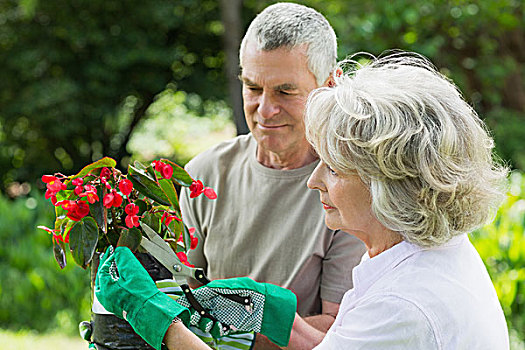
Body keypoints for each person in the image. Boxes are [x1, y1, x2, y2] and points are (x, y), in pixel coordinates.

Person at [286, 51, 509, 348]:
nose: (314, 182)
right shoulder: (428, 254)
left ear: (390, 185)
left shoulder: (400, 306)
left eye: (334, 169)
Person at [179, 2, 365, 347]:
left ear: (329, 85)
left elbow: (340, 331)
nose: (265, 109)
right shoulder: (203, 175)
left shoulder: (352, 189)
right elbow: (179, 297)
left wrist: (232, 340)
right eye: (252, 88)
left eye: (285, 91)